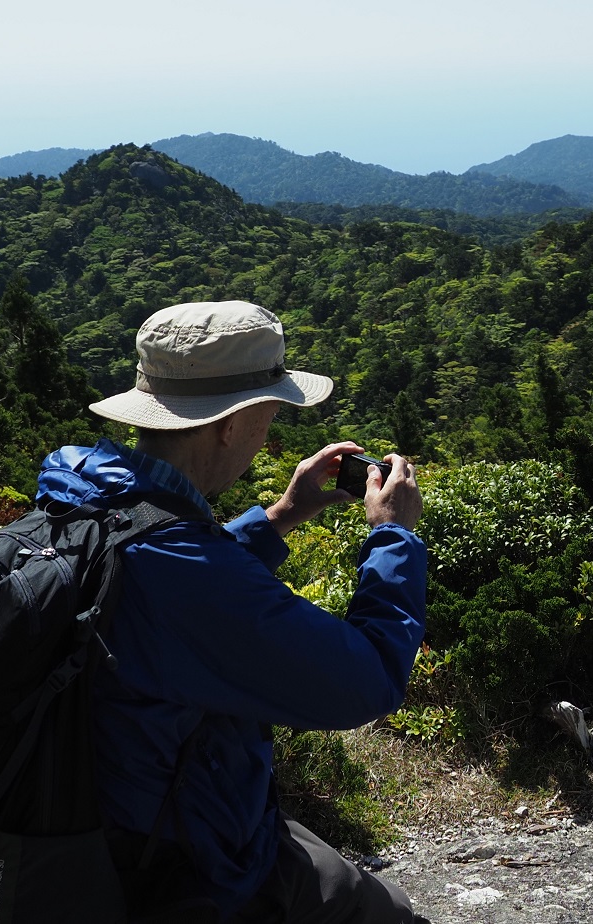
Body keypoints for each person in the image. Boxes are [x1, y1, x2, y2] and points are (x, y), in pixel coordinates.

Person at [33, 300, 427, 923]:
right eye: (269, 415)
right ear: (228, 425)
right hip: (171, 868)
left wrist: (280, 517)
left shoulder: (84, 500)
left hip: (86, 826)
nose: (269, 431)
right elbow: (369, 681)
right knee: (388, 914)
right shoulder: (183, 569)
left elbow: (165, 585)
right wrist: (393, 539)